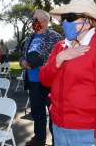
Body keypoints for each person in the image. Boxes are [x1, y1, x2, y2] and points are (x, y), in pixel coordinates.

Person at [39, 0, 96, 146]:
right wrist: (58, 60)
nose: (64, 23)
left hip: (88, 133)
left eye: (70, 17)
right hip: (58, 128)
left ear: (88, 21)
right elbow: (44, 79)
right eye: (64, 18)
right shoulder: (60, 47)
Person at [20, 9, 62, 146]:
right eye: (33, 19)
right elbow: (22, 55)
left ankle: (56, 140)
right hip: (33, 81)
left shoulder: (55, 37)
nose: (34, 22)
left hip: (49, 82)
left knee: (53, 112)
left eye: (36, 20)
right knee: (37, 111)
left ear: (45, 21)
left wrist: (43, 62)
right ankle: (39, 138)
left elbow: (60, 59)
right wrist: (22, 62)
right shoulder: (30, 37)